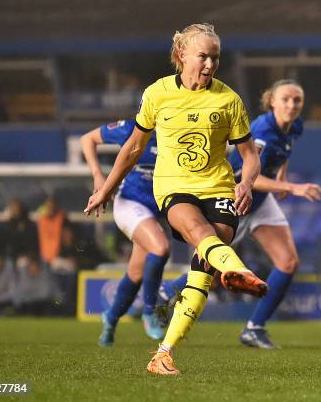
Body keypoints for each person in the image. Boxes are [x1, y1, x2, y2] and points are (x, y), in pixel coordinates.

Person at [84, 23, 265, 376]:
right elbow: (133, 147)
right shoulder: (157, 94)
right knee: (199, 232)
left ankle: (163, 354)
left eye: (215, 57)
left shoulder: (229, 100)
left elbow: (250, 154)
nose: (211, 64)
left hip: (218, 187)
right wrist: (105, 188)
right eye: (204, 56)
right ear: (182, 54)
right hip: (174, 187)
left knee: (205, 264)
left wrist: (248, 182)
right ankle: (237, 269)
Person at [161, 79, 321, 349]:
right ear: (272, 101)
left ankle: (254, 328)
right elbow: (250, 178)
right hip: (237, 197)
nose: (292, 105)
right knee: (210, 267)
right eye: (286, 99)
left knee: (288, 262)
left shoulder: (296, 127)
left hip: (262, 202)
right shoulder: (261, 130)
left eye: (297, 100)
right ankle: (165, 291)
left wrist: (281, 177)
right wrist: (291, 187)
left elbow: (284, 154)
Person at [80, 119, 171, 345]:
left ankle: (110, 319)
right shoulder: (132, 128)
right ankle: (150, 312)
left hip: (155, 210)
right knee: (160, 248)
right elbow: (87, 139)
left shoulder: (181, 135)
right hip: (130, 203)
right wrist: (98, 175)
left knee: (136, 273)